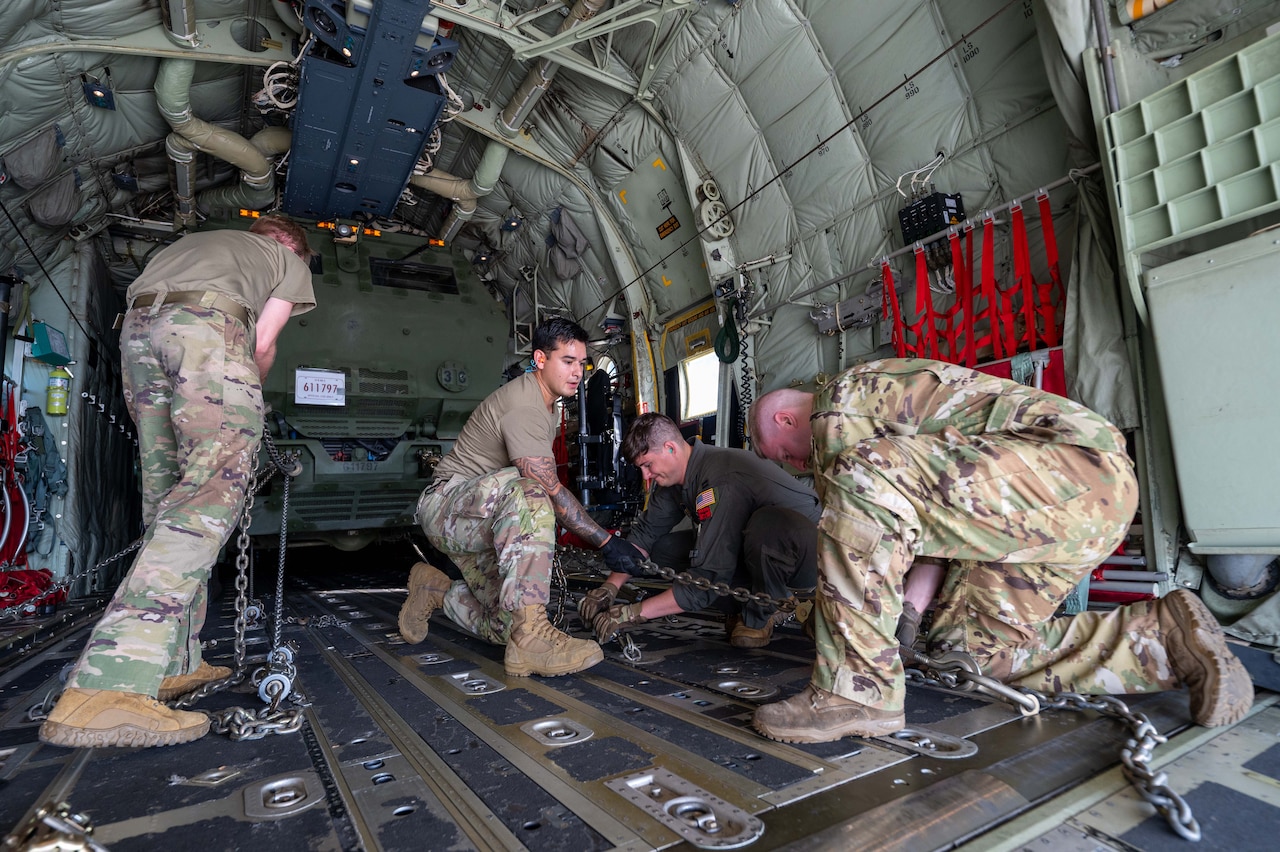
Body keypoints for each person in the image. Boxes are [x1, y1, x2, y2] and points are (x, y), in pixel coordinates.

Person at [747, 357, 1253, 743]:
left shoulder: (839, 407)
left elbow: (873, 492)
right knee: (966, 654)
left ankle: (855, 690)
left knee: (855, 474)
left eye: (785, 456)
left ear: (788, 422)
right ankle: (1164, 642)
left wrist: (891, 618)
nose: (796, 467)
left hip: (1065, 467)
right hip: (1081, 500)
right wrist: (910, 612)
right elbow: (928, 519)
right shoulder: (883, 415)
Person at [40, 215, 317, 748]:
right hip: (206, 338)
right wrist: (247, 395)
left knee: (168, 501)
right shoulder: (285, 261)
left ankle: (171, 662)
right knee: (207, 500)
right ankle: (108, 684)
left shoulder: (190, 244)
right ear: (288, 247)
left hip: (139, 338)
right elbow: (261, 343)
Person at [400, 317, 626, 677]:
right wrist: (605, 541)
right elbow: (548, 488)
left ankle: (434, 590)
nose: (577, 373)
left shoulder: (548, 403)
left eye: (582, 364)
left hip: (481, 518)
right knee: (533, 492)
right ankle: (532, 636)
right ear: (539, 359)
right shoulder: (525, 405)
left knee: (505, 622)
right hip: (446, 508)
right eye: (566, 361)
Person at [581, 413, 820, 648]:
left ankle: (763, 611)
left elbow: (709, 576)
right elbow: (645, 535)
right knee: (667, 550)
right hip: (766, 552)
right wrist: (608, 589)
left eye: (647, 465)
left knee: (765, 525)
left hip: (812, 558)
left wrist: (630, 614)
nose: (646, 475)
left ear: (670, 448)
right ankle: (753, 602)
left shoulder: (721, 479)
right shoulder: (676, 482)